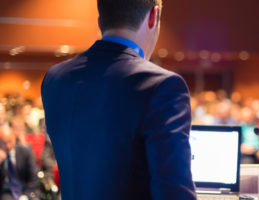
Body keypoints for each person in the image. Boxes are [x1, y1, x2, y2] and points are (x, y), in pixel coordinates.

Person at [41, 0, 196, 200]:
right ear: (153, 16)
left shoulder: (55, 79)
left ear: (100, 22)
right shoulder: (163, 86)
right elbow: (174, 193)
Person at [0, 125, 40, 200]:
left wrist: (26, 195)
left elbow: (33, 179)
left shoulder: (25, 152)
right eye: (3, 143)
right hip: (5, 193)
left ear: (14, 139)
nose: (7, 146)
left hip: (25, 191)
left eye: (9, 141)